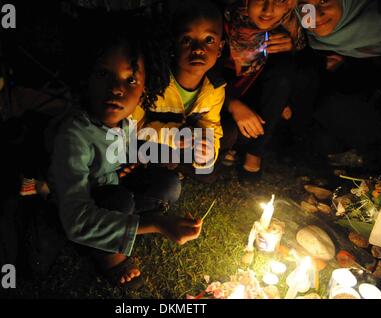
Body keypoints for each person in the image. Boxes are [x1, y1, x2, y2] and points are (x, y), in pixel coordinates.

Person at [49, 14, 203, 289]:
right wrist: (157, 224)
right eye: (103, 74)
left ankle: (125, 222)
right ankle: (111, 257)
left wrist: (130, 160)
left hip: (114, 183)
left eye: (130, 80)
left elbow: (118, 152)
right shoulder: (73, 135)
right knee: (119, 202)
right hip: (85, 202)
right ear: (84, 76)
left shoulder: (127, 119)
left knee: (167, 185)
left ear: (146, 86)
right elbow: (75, 220)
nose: (117, 89)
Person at [133, 0, 226, 179]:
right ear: (173, 45)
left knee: (209, 166)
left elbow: (211, 126)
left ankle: (178, 167)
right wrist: (173, 136)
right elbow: (133, 129)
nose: (198, 49)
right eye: (187, 40)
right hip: (151, 142)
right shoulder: (154, 82)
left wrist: (207, 151)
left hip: (185, 142)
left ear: (220, 47)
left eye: (209, 40)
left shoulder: (215, 88)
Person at [222, 0, 306, 180]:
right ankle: (237, 145)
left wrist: (292, 46)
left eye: (279, 1)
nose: (268, 10)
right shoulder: (223, 19)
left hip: (257, 97)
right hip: (219, 98)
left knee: (285, 70)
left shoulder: (294, 21)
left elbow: (297, 67)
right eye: (261, 0)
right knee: (230, 133)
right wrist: (232, 104)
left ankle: (254, 152)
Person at [297, 0, 381, 172]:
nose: (317, 13)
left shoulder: (378, 18)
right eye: (306, 5)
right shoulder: (308, 39)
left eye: (324, 1)